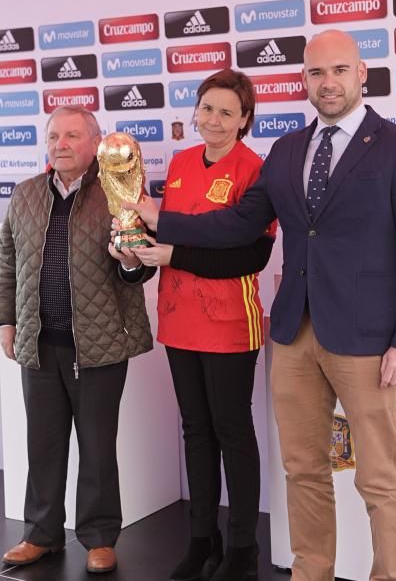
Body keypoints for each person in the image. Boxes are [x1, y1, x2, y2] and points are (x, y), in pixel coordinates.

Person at [127, 31, 396, 581]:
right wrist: (160, 217)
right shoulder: (288, 150)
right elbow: (236, 223)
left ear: (361, 74)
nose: (327, 83)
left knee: (379, 478)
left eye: (339, 71)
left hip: (370, 341)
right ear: (303, 79)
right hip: (296, 336)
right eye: (316, 73)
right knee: (302, 469)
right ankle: (310, 573)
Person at [117, 68, 275, 581]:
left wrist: (172, 250)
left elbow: (246, 254)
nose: (214, 119)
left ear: (245, 119)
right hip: (179, 319)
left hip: (230, 323)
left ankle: (243, 549)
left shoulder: (257, 170)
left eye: (227, 111)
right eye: (207, 108)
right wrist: (133, 245)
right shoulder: (182, 163)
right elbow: (155, 231)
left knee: (232, 431)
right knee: (195, 431)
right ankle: (202, 540)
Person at [0, 106, 154, 574]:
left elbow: (139, 269)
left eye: (72, 135)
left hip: (100, 344)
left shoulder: (119, 193)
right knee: (42, 445)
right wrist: (6, 321)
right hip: (38, 344)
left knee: (97, 446)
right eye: (54, 136)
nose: (61, 144)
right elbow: (7, 263)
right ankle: (42, 534)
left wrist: (131, 261)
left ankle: (99, 536)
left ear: (95, 142)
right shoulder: (25, 194)